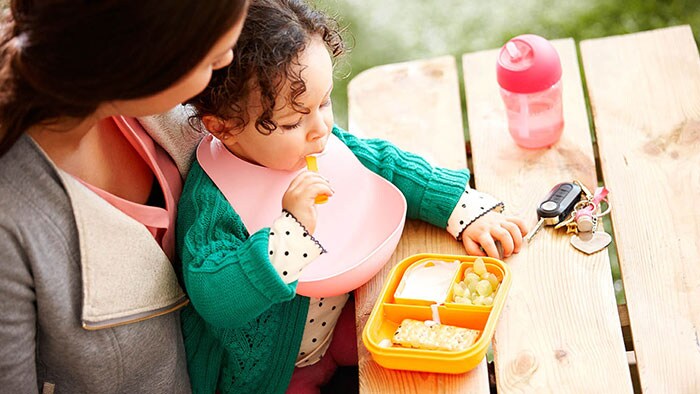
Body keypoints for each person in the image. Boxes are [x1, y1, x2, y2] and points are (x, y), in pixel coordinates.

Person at [176, 0, 529, 392]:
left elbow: (386, 163)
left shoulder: (317, 141)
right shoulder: (212, 201)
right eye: (294, 121)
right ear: (224, 128)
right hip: (276, 374)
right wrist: (288, 236)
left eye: (324, 102)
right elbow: (215, 298)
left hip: (344, 326)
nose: (321, 128)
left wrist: (462, 208)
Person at [0, 1, 248, 392]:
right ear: (137, 57)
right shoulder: (12, 227)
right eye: (209, 57)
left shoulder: (154, 108)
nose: (229, 58)